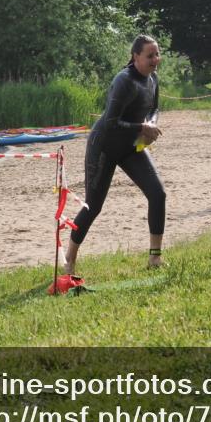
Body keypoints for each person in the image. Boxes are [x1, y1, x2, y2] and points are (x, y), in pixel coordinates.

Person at [65, 35, 166, 271]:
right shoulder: (124, 81)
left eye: (157, 54)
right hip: (104, 146)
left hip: (131, 146)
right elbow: (110, 122)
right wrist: (141, 127)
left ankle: (155, 257)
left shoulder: (153, 78)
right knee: (93, 206)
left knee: (158, 194)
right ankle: (70, 257)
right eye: (150, 55)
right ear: (135, 57)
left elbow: (154, 108)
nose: (155, 60)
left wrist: (150, 124)